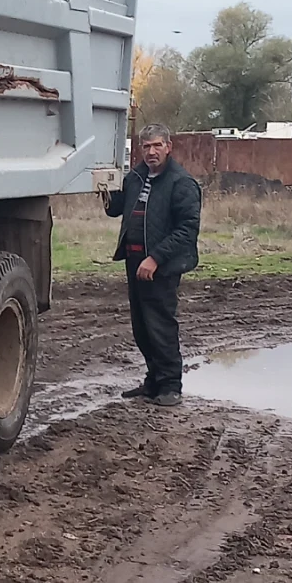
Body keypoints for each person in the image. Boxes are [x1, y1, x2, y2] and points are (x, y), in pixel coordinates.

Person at [103, 125, 201, 405]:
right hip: (135, 261)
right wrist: (104, 185)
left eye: (157, 145)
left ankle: (171, 386)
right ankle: (153, 381)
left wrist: (155, 258)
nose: (151, 152)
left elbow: (187, 229)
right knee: (142, 327)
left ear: (169, 147)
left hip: (161, 265)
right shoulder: (135, 177)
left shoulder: (181, 183)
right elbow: (114, 208)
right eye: (146, 146)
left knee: (160, 325)